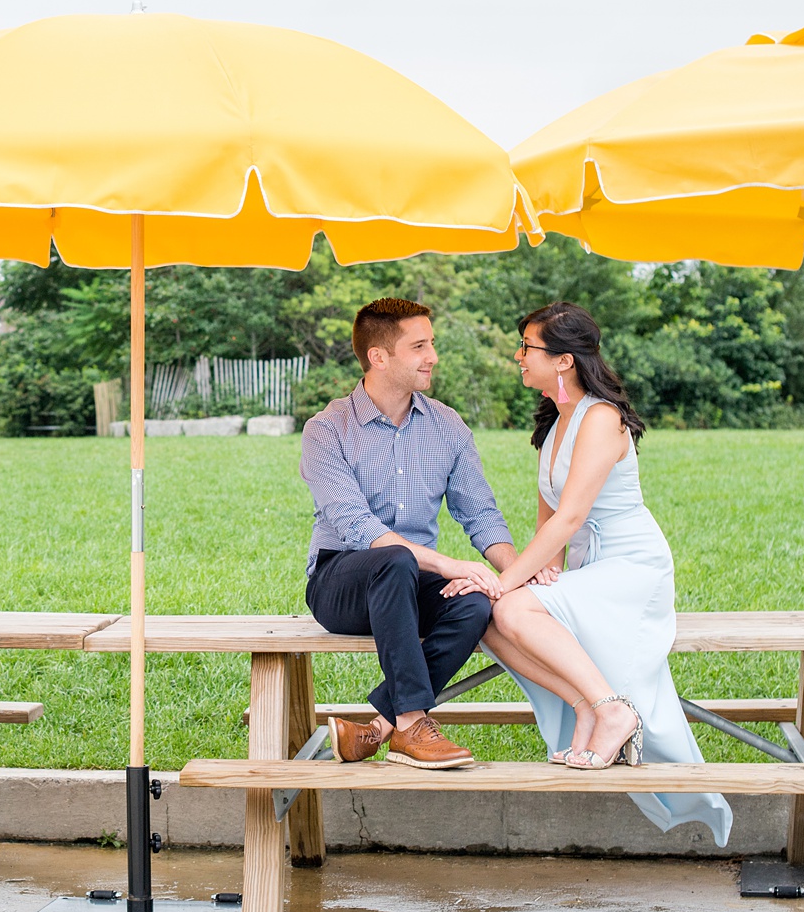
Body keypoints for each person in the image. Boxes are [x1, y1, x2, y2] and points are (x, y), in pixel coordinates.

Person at [446, 301, 731, 844]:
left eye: (527, 347)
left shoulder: (601, 417)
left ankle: (612, 712)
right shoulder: (554, 425)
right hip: (589, 568)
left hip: (631, 568)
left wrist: (504, 582)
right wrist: (538, 576)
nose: (518, 356)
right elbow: (548, 526)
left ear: (563, 361)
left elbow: (574, 515)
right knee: (485, 614)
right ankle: (588, 706)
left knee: (504, 602)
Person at [300, 297, 518, 770]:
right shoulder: (326, 430)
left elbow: (479, 512)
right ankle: (414, 723)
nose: (432, 356)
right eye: (419, 346)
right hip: (342, 582)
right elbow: (359, 527)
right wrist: (448, 564)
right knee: (394, 559)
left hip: (411, 580)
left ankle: (377, 730)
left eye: (431, 343)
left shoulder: (447, 425)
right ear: (379, 356)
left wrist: (514, 575)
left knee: (474, 604)